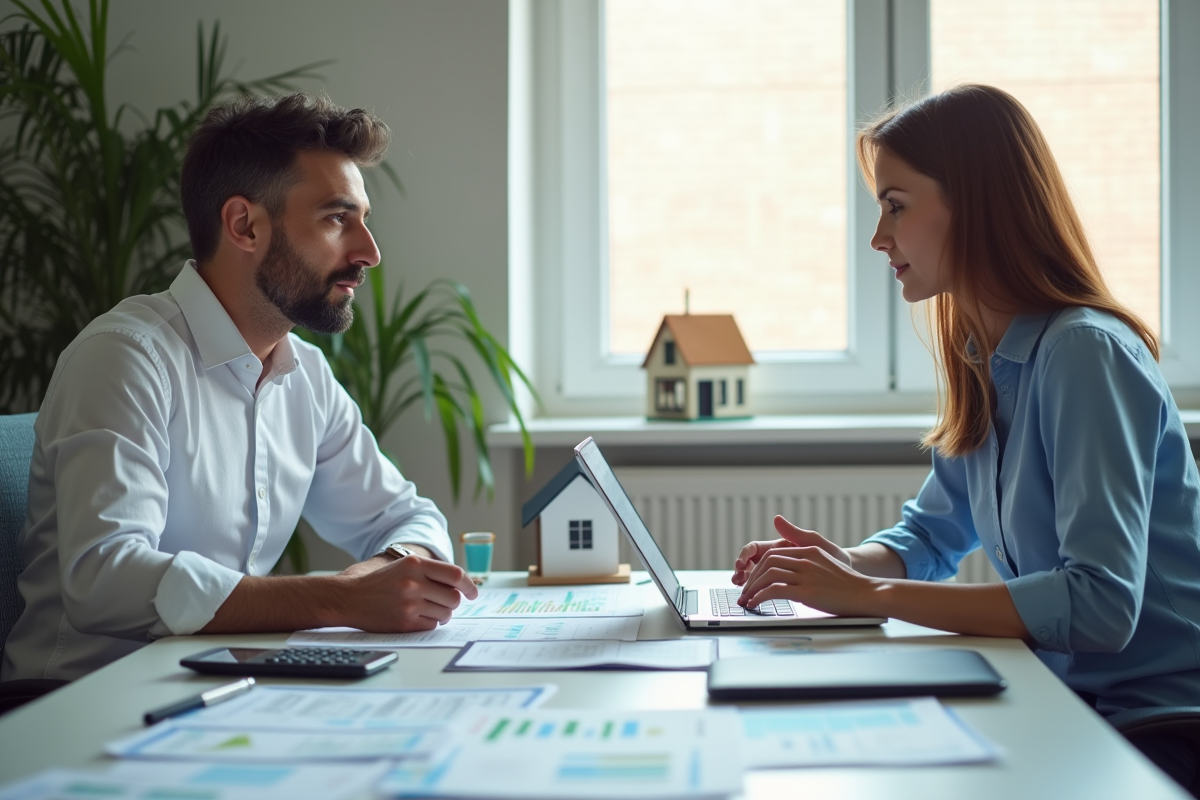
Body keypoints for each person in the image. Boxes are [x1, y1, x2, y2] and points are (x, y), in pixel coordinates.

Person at [731, 85, 1200, 784]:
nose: (878, 237)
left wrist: (870, 598)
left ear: (974, 203)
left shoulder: (1083, 353)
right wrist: (845, 567)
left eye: (895, 205)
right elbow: (927, 537)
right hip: (1074, 702)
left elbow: (1101, 607)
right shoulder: (989, 357)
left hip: (1161, 725)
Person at [3, 93, 478, 683]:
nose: (369, 253)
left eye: (363, 220)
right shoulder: (125, 358)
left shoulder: (303, 374)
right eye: (336, 219)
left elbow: (407, 515)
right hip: (77, 706)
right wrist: (337, 599)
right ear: (244, 225)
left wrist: (390, 570)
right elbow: (105, 579)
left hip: (221, 690)